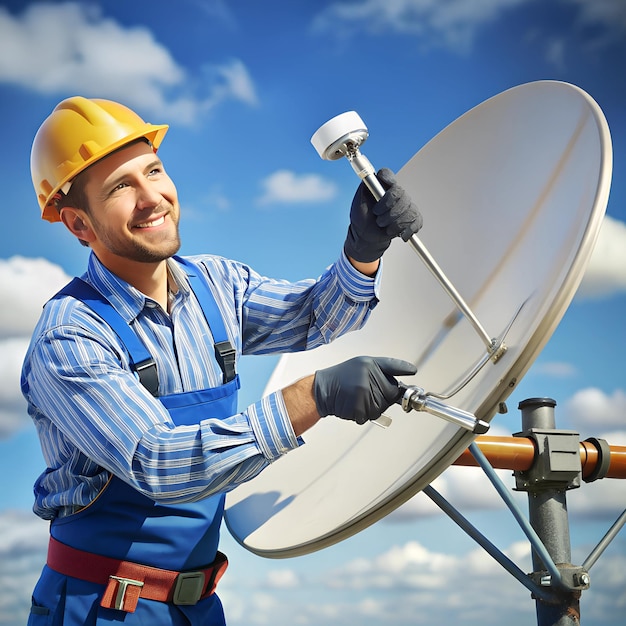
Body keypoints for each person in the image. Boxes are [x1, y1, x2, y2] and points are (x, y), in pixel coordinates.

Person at [21, 96, 422, 625]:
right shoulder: (71, 335)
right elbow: (159, 463)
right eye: (121, 187)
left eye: (155, 171)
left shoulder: (217, 285)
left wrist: (363, 249)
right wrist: (312, 395)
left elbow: (315, 318)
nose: (151, 198)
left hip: (199, 606)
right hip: (101, 607)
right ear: (78, 224)